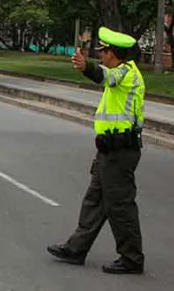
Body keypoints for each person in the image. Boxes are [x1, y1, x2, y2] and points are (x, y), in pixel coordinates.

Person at [46, 26, 146, 275]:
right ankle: (76, 248)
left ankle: (132, 258)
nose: (101, 55)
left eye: (103, 51)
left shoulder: (126, 73)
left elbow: (105, 77)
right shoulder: (120, 71)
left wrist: (86, 67)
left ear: (114, 53)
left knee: (120, 206)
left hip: (121, 151)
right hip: (109, 151)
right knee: (94, 200)